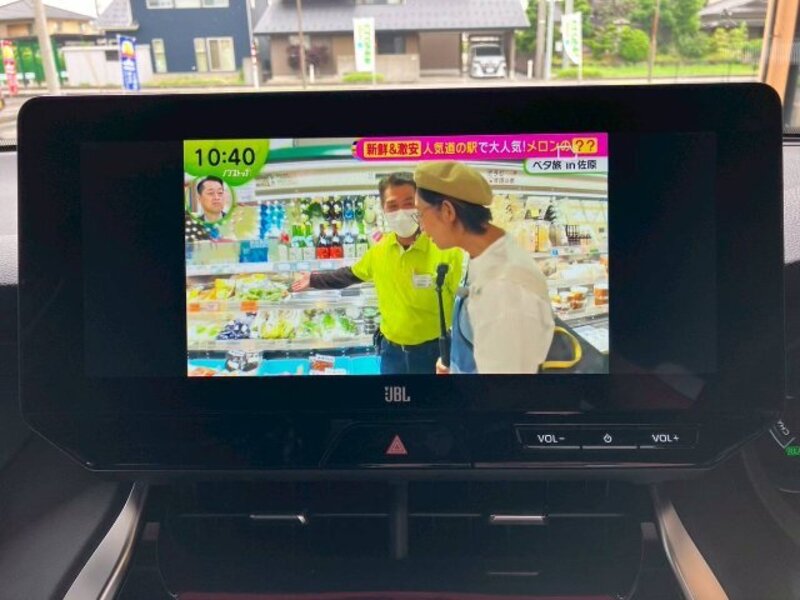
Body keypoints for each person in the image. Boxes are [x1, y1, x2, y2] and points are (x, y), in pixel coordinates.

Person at [291, 172, 464, 375]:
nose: (401, 212)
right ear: (383, 209)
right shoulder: (379, 251)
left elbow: (465, 307)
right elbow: (350, 274)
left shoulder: (446, 249)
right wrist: (313, 279)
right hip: (391, 353)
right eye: (392, 205)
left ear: (420, 205)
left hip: (434, 354)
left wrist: (460, 354)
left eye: (408, 203)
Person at [413, 161, 555, 374]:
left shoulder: (504, 290)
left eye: (420, 214)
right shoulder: (482, 254)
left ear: (447, 211)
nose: (421, 227)